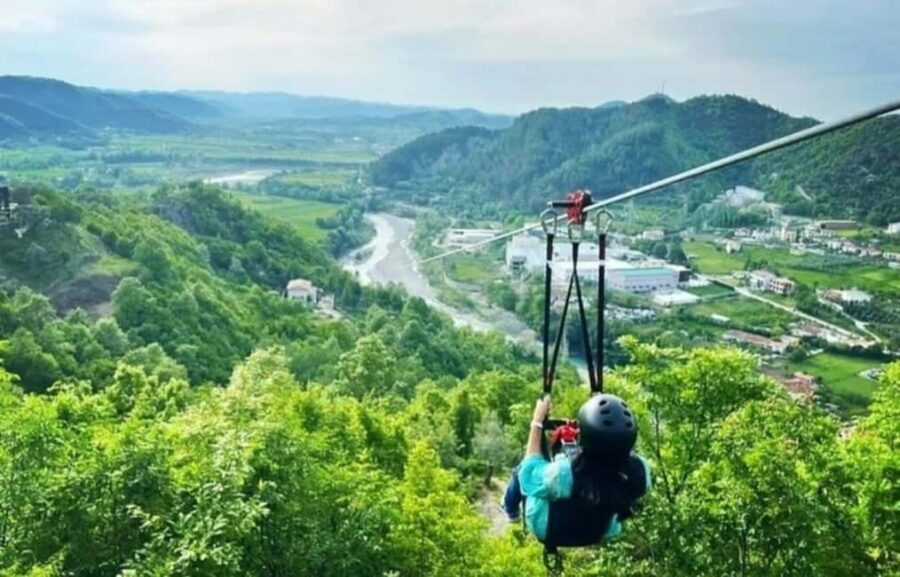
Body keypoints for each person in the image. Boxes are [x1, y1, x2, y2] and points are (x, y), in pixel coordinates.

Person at [502, 394, 651, 546]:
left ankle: (511, 509)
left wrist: (537, 422)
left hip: (549, 529)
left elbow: (530, 472)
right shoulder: (640, 471)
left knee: (523, 468)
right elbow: (611, 457)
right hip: (599, 531)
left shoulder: (566, 474)